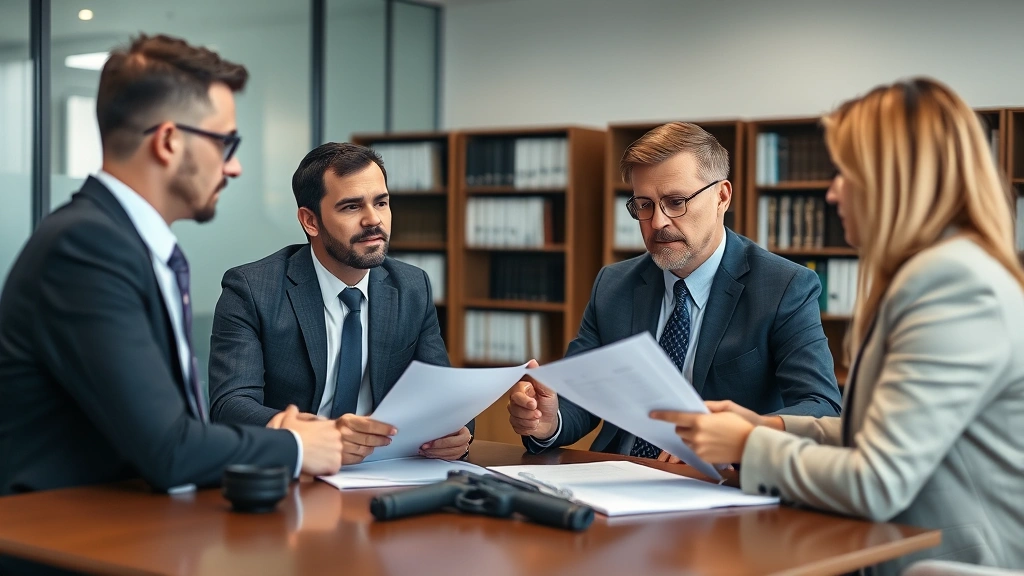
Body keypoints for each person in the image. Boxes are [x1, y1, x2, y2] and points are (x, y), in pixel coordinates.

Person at [652, 78, 1024, 573]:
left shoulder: (953, 284)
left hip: (950, 561)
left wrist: (745, 445)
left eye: (846, 173)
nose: (832, 193)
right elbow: (875, 433)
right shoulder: (938, 272)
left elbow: (878, 480)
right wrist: (765, 425)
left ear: (895, 179)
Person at [0, 34, 344, 498]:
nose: (235, 166)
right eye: (226, 142)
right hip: (62, 544)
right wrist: (294, 446)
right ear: (167, 141)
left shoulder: (128, 243)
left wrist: (274, 441)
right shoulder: (85, 249)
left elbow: (168, 429)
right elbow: (169, 450)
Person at [508, 121, 842, 459]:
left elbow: (822, 407)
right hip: (619, 474)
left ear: (721, 197)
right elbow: (581, 396)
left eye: (676, 201)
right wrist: (549, 421)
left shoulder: (783, 286)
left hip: (719, 485)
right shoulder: (614, 285)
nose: (658, 223)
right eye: (644, 204)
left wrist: (737, 441)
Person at [208, 142, 471, 464]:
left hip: (390, 471)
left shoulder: (412, 287)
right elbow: (231, 405)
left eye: (382, 202)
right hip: (295, 472)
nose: (374, 220)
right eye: (351, 207)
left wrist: (457, 433)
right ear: (310, 221)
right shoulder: (252, 290)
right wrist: (321, 436)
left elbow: (442, 393)